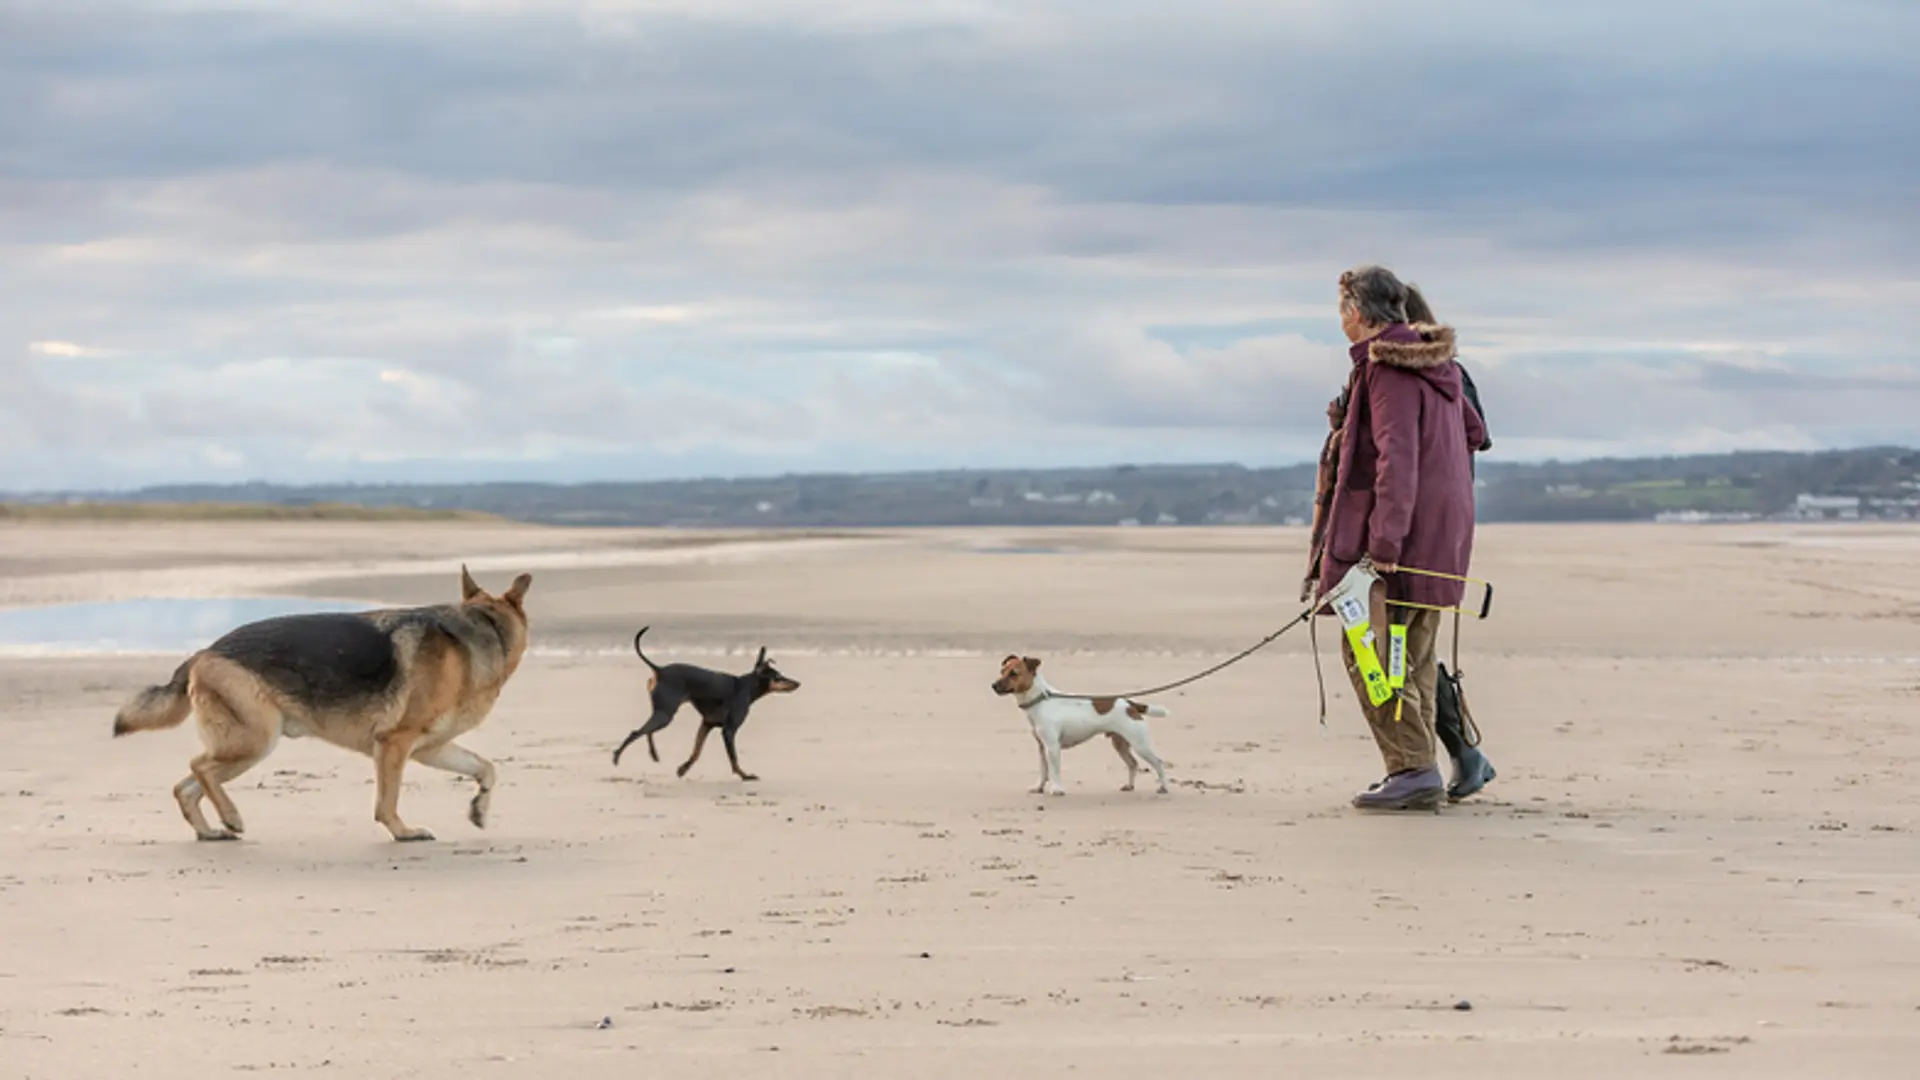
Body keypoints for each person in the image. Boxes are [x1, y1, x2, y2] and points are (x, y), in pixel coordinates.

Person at [1312, 265, 1487, 811]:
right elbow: (1474, 432)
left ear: (1357, 313)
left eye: (1342, 308)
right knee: (1410, 654)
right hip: (1445, 531)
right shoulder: (1439, 365)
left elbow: (1398, 462)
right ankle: (1422, 768)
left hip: (1405, 538)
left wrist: (1383, 546)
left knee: (1368, 647)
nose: (1340, 319)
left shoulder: (1387, 368)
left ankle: (1412, 770)